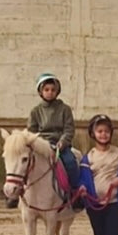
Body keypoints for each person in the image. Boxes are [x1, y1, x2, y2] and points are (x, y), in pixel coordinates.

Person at [19, 72, 84, 211]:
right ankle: (15, 193)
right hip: (41, 145)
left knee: (71, 163)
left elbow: (69, 129)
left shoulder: (65, 109)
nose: (50, 93)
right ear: (41, 92)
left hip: (60, 145)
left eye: (53, 90)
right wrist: (38, 143)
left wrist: (62, 142)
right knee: (21, 163)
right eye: (46, 90)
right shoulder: (35, 111)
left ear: (57, 91)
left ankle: (75, 194)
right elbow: (31, 130)